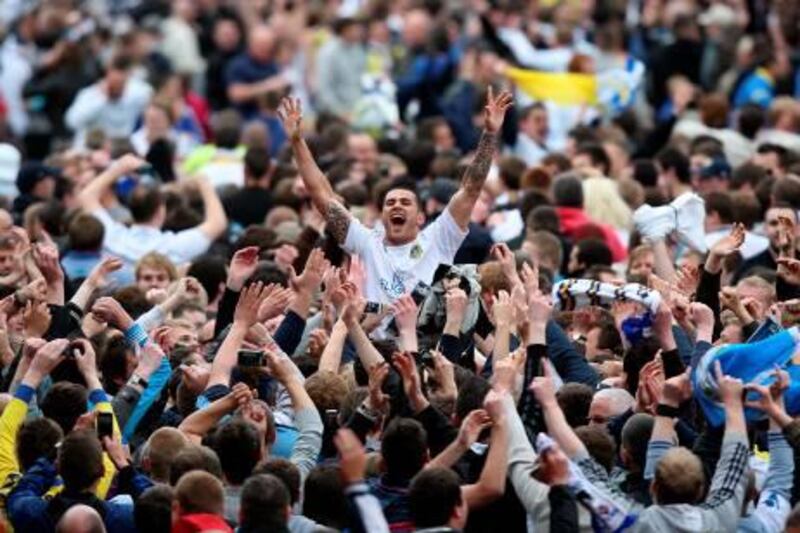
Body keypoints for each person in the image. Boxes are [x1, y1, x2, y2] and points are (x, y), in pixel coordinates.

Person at [279, 88, 512, 305]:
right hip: (375, 346)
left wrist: (490, 134)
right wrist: (297, 142)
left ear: (421, 218)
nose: (396, 206)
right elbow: (322, 195)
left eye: (405, 202)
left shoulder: (439, 238)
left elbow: (471, 189)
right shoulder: (367, 243)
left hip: (427, 346)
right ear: (381, 215)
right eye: (390, 203)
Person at [76, 154, 227, 267]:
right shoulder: (173, 247)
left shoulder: (112, 237)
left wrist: (119, 168)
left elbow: (87, 196)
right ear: (161, 211)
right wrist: (204, 183)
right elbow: (218, 223)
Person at [65, 56, 153, 147]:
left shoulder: (134, 95)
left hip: (119, 149)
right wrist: (101, 99)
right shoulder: (89, 95)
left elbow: (149, 93)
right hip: (91, 148)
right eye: (114, 84)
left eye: (122, 84)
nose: (118, 88)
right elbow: (72, 122)